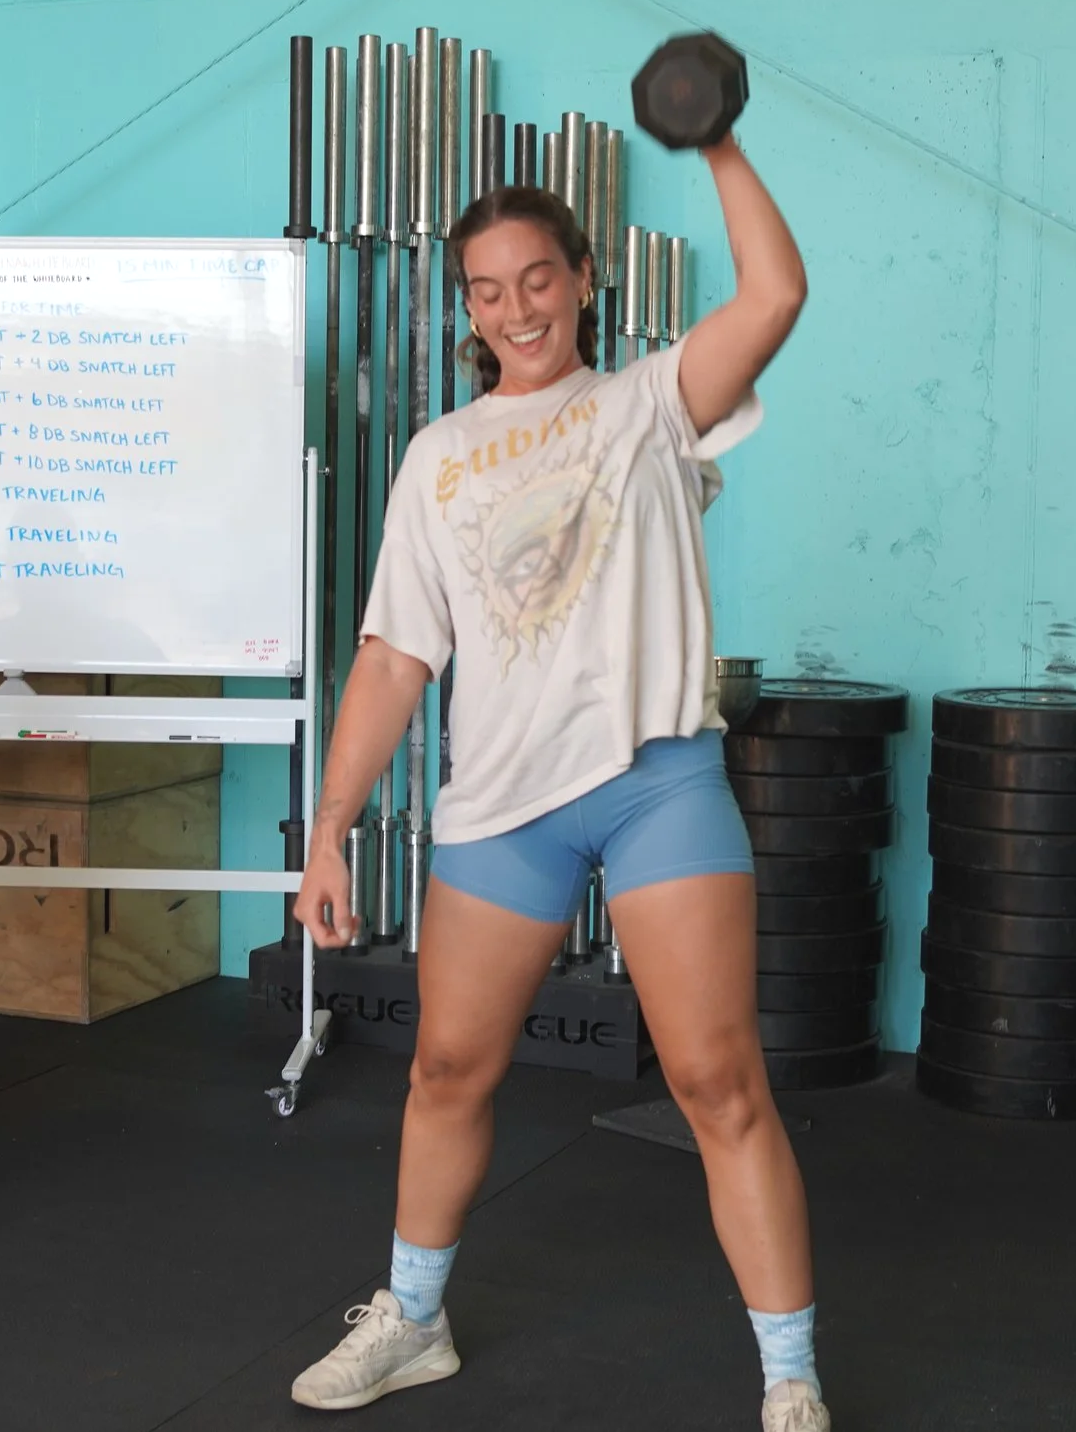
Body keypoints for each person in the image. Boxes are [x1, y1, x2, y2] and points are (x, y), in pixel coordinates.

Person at [288, 136, 825, 1430]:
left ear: (580, 280)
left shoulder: (649, 402)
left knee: (715, 1082)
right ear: (465, 307)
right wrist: (329, 829)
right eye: (487, 289)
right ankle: (413, 1318)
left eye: (537, 278)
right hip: (500, 811)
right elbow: (391, 657)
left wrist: (715, 142)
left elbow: (774, 297)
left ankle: (789, 1373)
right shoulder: (436, 458)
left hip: (656, 786)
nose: (516, 308)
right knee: (445, 1073)